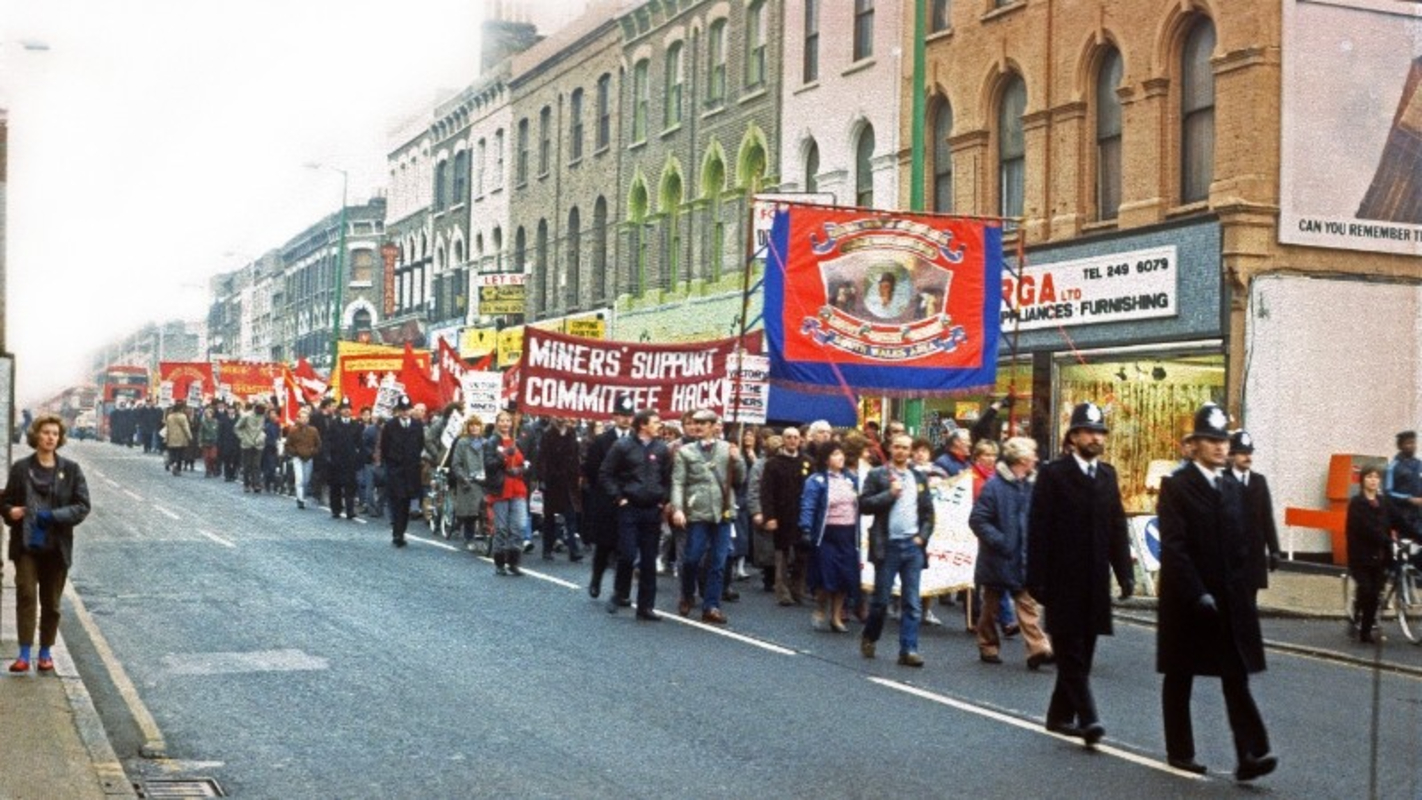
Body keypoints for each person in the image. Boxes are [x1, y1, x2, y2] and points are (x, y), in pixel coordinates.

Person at [1156, 403, 1276, 781]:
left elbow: (1241, 540)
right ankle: (1180, 750)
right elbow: (1174, 547)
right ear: (1194, 445)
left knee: (1234, 674)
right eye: (1211, 440)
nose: (1221, 447)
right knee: (1180, 674)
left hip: (1228, 597)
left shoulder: (1230, 486)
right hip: (1188, 599)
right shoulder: (1176, 486)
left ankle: (1249, 754)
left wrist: (1242, 587)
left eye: (1223, 440)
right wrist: (1196, 592)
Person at [1026, 401, 1134, 746]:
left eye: (1099, 432)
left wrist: (1125, 571)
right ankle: (1089, 719)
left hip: (1095, 581)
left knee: (1085, 651)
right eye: (1088, 431)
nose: (1095, 438)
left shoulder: (1108, 475)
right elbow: (1038, 528)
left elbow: (1117, 526)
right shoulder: (1054, 474)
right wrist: (1036, 578)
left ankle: (1059, 716)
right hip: (1062, 579)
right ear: (1073, 437)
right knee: (1070, 651)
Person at [4, 414, 91, 673]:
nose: (50, 437)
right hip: (27, 545)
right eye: (46, 433)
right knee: (26, 595)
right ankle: (23, 654)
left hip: (56, 547)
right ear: (36, 436)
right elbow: (6, 502)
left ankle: (45, 653)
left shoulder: (71, 470)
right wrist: (11, 512)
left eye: (55, 433)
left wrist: (53, 516)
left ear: (59, 438)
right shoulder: (21, 468)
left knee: (51, 602)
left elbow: (82, 506)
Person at [970, 436, 1053, 668]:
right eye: (1032, 455)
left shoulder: (1033, 487)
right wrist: (1001, 541)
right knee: (991, 606)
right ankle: (987, 644)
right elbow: (978, 519)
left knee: (1027, 602)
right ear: (1022, 459)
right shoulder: (994, 486)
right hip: (997, 556)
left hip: (1024, 556)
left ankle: (1038, 648)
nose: (1036, 459)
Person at [859, 433, 935, 666]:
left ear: (911, 451)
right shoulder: (878, 474)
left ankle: (908, 649)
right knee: (881, 600)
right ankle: (870, 635)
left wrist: (922, 537)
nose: (901, 451)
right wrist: (889, 494)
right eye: (897, 447)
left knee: (912, 601)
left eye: (906, 448)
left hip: (912, 546)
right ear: (890, 449)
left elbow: (928, 513)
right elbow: (864, 505)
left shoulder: (919, 477)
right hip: (888, 545)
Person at [670, 409, 743, 625]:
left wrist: (737, 461)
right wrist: (678, 508)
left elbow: (740, 478)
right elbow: (678, 482)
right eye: (696, 423)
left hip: (722, 511)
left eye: (703, 423)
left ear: (714, 425)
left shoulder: (726, 449)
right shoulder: (685, 452)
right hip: (697, 511)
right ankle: (687, 593)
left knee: (718, 562)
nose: (698, 426)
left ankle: (711, 606)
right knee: (692, 558)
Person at [600, 408, 672, 621]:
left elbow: (667, 477)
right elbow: (606, 474)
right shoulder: (623, 446)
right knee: (628, 554)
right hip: (629, 507)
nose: (660, 425)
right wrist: (618, 497)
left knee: (649, 560)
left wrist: (663, 500)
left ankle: (645, 607)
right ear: (643, 425)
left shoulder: (661, 449)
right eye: (656, 422)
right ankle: (620, 593)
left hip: (652, 509)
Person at [798, 441, 860, 632]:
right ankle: (820, 607)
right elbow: (808, 505)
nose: (840, 457)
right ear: (826, 459)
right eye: (835, 454)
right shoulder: (816, 481)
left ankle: (836, 616)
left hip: (848, 534)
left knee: (844, 576)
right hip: (827, 534)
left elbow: (861, 503)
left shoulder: (851, 480)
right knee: (826, 575)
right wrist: (806, 528)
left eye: (841, 453)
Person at [1348, 462, 1412, 645]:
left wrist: (1418, 537)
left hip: (1380, 557)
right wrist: (1388, 541)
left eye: (1376, 477)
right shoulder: (1356, 503)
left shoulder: (1384, 503)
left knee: (1375, 593)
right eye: (1369, 477)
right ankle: (1357, 611)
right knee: (1367, 590)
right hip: (1360, 557)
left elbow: (1400, 523)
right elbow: (1365, 529)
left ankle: (1365, 633)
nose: (1373, 480)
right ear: (1362, 481)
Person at [583, 395, 635, 598]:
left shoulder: (635, 441)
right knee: (604, 546)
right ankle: (596, 578)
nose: (626, 419)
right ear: (614, 416)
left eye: (629, 416)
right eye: (622, 415)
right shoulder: (602, 441)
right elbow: (592, 470)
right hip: (606, 500)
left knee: (626, 548)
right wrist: (606, 491)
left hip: (630, 500)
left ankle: (621, 590)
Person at [760, 428, 814, 606]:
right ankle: (782, 589)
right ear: (783, 440)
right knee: (782, 553)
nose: (792, 441)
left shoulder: (807, 462)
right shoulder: (773, 463)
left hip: (801, 514)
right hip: (781, 513)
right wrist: (769, 516)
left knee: (802, 553)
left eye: (796, 438)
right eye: (789, 437)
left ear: (800, 440)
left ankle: (798, 589)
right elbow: (766, 492)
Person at [1225, 430, 1282, 595]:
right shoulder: (1223, 479)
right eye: (1243, 453)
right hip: (1230, 556)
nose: (1248, 457)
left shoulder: (1259, 481)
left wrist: (1274, 550)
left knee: (1250, 603)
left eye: (1249, 452)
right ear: (1232, 455)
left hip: (1253, 555)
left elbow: (1266, 517)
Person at [484, 410, 529, 575]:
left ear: (512, 423)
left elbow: (526, 461)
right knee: (502, 528)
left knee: (518, 526)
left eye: (507, 421)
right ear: (497, 423)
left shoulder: (518, 440)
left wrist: (521, 469)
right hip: (500, 489)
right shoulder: (492, 442)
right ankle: (500, 563)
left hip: (518, 489)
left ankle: (514, 562)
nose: (505, 424)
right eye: (501, 421)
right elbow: (488, 463)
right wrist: (503, 456)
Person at [538, 416, 585, 562]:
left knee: (571, 517)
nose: (562, 418)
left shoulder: (571, 433)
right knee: (550, 518)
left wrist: (578, 475)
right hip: (552, 481)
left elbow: (576, 456)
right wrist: (542, 479)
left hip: (568, 481)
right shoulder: (548, 434)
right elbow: (542, 458)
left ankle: (573, 549)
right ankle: (547, 549)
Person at [381, 396, 424, 548]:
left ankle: (402, 530)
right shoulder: (390, 425)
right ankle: (397, 532)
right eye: (402, 410)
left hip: (411, 469)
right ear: (398, 411)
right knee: (397, 500)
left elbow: (420, 444)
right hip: (396, 469)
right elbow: (384, 446)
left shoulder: (417, 425)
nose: (405, 412)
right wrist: (390, 463)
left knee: (406, 501)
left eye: (407, 409)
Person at [449, 414, 488, 552]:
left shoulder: (486, 442)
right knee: (471, 513)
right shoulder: (462, 442)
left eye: (477, 424)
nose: (474, 427)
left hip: (483, 481)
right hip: (468, 481)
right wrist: (463, 478)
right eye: (471, 424)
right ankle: (469, 537)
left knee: (483, 511)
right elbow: (456, 464)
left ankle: (484, 536)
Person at [325, 398, 363, 520]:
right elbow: (328, 441)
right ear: (340, 411)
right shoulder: (334, 423)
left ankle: (350, 510)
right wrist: (329, 456)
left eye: (348, 409)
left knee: (350, 487)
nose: (347, 411)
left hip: (350, 461)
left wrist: (358, 457)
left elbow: (359, 443)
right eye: (344, 409)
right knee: (336, 486)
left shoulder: (356, 425)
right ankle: (336, 509)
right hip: (336, 460)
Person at [1386, 430, 1422, 539]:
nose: (1412, 446)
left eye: (1414, 442)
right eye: (1408, 443)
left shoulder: (1419, 464)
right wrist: (1409, 499)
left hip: (1418, 516)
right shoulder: (1393, 466)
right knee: (1405, 549)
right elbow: (1387, 493)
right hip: (1402, 516)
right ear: (1400, 446)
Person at [284, 407, 321, 510]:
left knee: (306, 480)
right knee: (299, 479)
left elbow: (318, 444)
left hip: (309, 458)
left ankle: (302, 496)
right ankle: (300, 499)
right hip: (298, 458)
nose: (304, 420)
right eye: (302, 418)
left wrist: (313, 452)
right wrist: (295, 452)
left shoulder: (313, 431)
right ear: (298, 419)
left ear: (308, 419)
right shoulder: (293, 430)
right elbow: (288, 445)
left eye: (306, 418)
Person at [235, 402, 266, 492]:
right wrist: (243, 438)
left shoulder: (262, 416)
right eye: (261, 410)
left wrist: (262, 437)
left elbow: (262, 429)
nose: (262, 412)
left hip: (258, 444)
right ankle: (246, 484)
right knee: (247, 465)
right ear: (256, 408)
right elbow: (237, 427)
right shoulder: (246, 416)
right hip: (247, 444)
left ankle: (256, 484)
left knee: (256, 465)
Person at [163, 400, 193, 477]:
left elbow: (167, 427)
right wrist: (189, 436)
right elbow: (186, 428)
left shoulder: (170, 417)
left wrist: (166, 437)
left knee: (172, 453)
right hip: (181, 438)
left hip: (171, 438)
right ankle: (178, 468)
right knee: (179, 454)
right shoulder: (183, 417)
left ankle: (173, 463)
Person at [199, 405, 220, 477]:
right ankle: (208, 470)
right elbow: (200, 432)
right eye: (207, 413)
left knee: (213, 457)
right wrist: (200, 441)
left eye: (210, 413)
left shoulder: (216, 422)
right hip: (205, 442)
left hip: (214, 442)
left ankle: (212, 467)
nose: (209, 415)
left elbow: (218, 431)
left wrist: (218, 439)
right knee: (206, 457)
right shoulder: (203, 422)